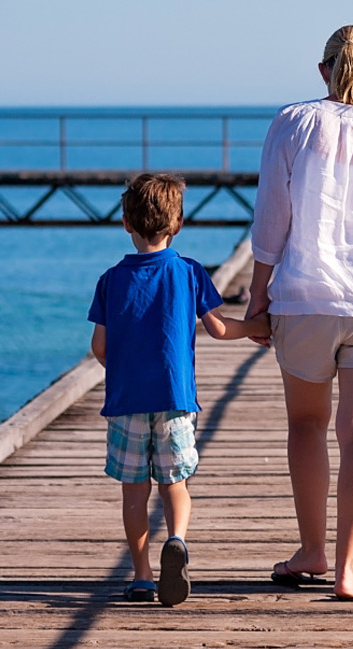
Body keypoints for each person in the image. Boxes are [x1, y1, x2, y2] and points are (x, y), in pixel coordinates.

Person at [245, 24, 353, 602]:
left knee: (306, 426)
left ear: (322, 70)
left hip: (306, 297)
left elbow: (272, 220)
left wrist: (257, 296)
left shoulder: (292, 122)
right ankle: (348, 571)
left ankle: (312, 551)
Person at [89, 173, 266, 605]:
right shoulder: (189, 272)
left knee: (134, 490)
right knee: (175, 483)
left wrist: (126, 369)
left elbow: (99, 347)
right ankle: (179, 541)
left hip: (127, 401)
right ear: (178, 224)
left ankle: (143, 576)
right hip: (175, 400)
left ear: (126, 223)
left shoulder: (111, 280)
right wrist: (256, 327)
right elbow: (220, 328)